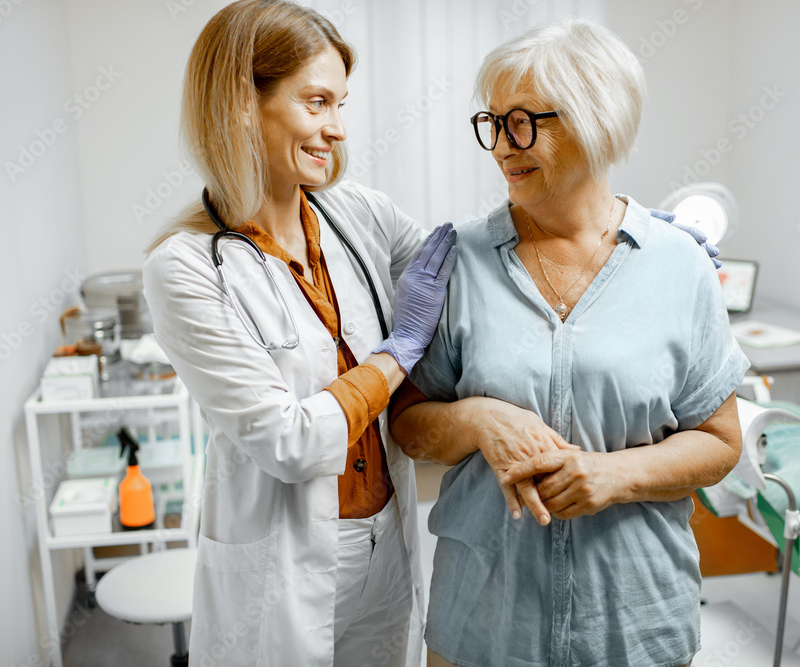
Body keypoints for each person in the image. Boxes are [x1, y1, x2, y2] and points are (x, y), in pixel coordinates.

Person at [389, 19, 750, 667]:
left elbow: (721, 442)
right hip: (483, 621)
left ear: (596, 118)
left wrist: (612, 475)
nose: (503, 146)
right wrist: (478, 418)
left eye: (524, 121)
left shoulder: (677, 263)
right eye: (492, 124)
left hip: (633, 622)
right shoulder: (460, 260)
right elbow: (410, 427)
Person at [142, 2, 456, 665]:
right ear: (240, 104)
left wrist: (615, 236)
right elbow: (289, 438)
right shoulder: (187, 267)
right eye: (317, 102)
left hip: (387, 540)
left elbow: (466, 265)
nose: (337, 129)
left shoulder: (355, 212)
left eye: (341, 104)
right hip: (281, 566)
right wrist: (397, 354)